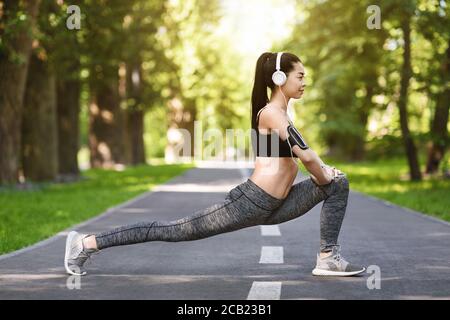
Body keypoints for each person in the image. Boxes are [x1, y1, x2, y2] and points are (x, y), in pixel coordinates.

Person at [64, 52, 365, 277]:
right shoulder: (272, 113)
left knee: (338, 182)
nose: (304, 81)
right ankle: (86, 243)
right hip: (252, 202)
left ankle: (328, 257)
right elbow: (308, 156)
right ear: (279, 78)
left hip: (278, 203)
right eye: (300, 75)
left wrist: (327, 175)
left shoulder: (281, 114)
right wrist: (323, 174)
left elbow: (307, 158)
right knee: (175, 230)